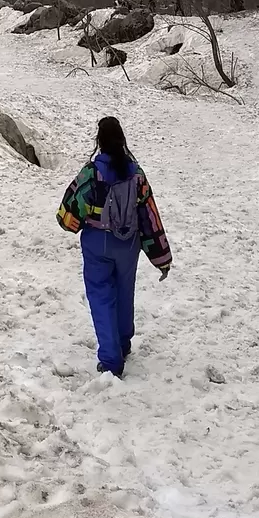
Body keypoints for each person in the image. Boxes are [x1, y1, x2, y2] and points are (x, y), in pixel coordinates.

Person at [57, 116, 171, 378]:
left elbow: (69, 212)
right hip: (128, 244)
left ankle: (111, 360)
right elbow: (150, 217)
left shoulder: (91, 172)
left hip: (97, 244)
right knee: (123, 292)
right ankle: (123, 344)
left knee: (101, 297)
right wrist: (161, 256)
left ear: (99, 141)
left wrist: (73, 222)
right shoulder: (136, 174)